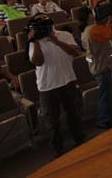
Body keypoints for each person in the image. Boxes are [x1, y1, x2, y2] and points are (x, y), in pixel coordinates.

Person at [28, 15, 85, 156]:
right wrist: (35, 42)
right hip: (47, 87)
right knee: (52, 122)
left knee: (74, 114)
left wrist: (56, 41)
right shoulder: (34, 42)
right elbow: (37, 62)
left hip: (68, 81)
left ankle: (80, 140)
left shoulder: (64, 35)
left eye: (45, 23)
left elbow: (75, 52)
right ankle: (58, 149)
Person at [78, 2, 112, 130]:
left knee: (110, 91)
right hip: (100, 66)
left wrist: (109, 21)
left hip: (101, 64)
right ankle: (103, 119)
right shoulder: (92, 30)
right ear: (89, 16)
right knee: (105, 94)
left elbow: (105, 32)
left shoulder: (89, 29)